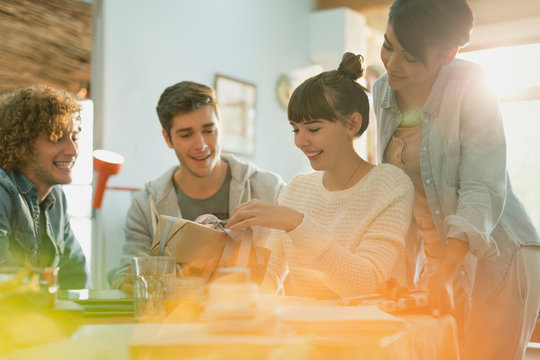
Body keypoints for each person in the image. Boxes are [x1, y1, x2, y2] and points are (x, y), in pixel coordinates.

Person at [372, 0, 540, 359]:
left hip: (499, 258)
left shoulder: (473, 86)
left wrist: (446, 271)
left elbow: (482, 186)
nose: (392, 64)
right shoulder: (382, 91)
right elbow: (395, 188)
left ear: (449, 53)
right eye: (388, 45)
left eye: (411, 56)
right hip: (438, 264)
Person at [226, 53, 414, 299]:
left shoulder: (390, 185)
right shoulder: (297, 189)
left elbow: (367, 284)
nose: (301, 141)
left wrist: (297, 223)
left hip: (370, 333)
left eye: (313, 129)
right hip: (307, 333)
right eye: (295, 129)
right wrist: (227, 286)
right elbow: (270, 276)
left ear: (353, 125)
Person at [110, 81, 285, 290]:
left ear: (221, 126)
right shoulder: (145, 204)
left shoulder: (269, 189)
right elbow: (123, 274)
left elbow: (297, 263)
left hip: (252, 317)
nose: (201, 144)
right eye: (186, 135)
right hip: (177, 320)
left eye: (209, 130)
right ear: (168, 138)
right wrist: (132, 277)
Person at [0, 85, 89, 289]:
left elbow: (75, 273)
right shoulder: (2, 191)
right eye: (57, 137)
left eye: (74, 138)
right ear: (22, 144)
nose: (73, 150)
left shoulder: (56, 197)